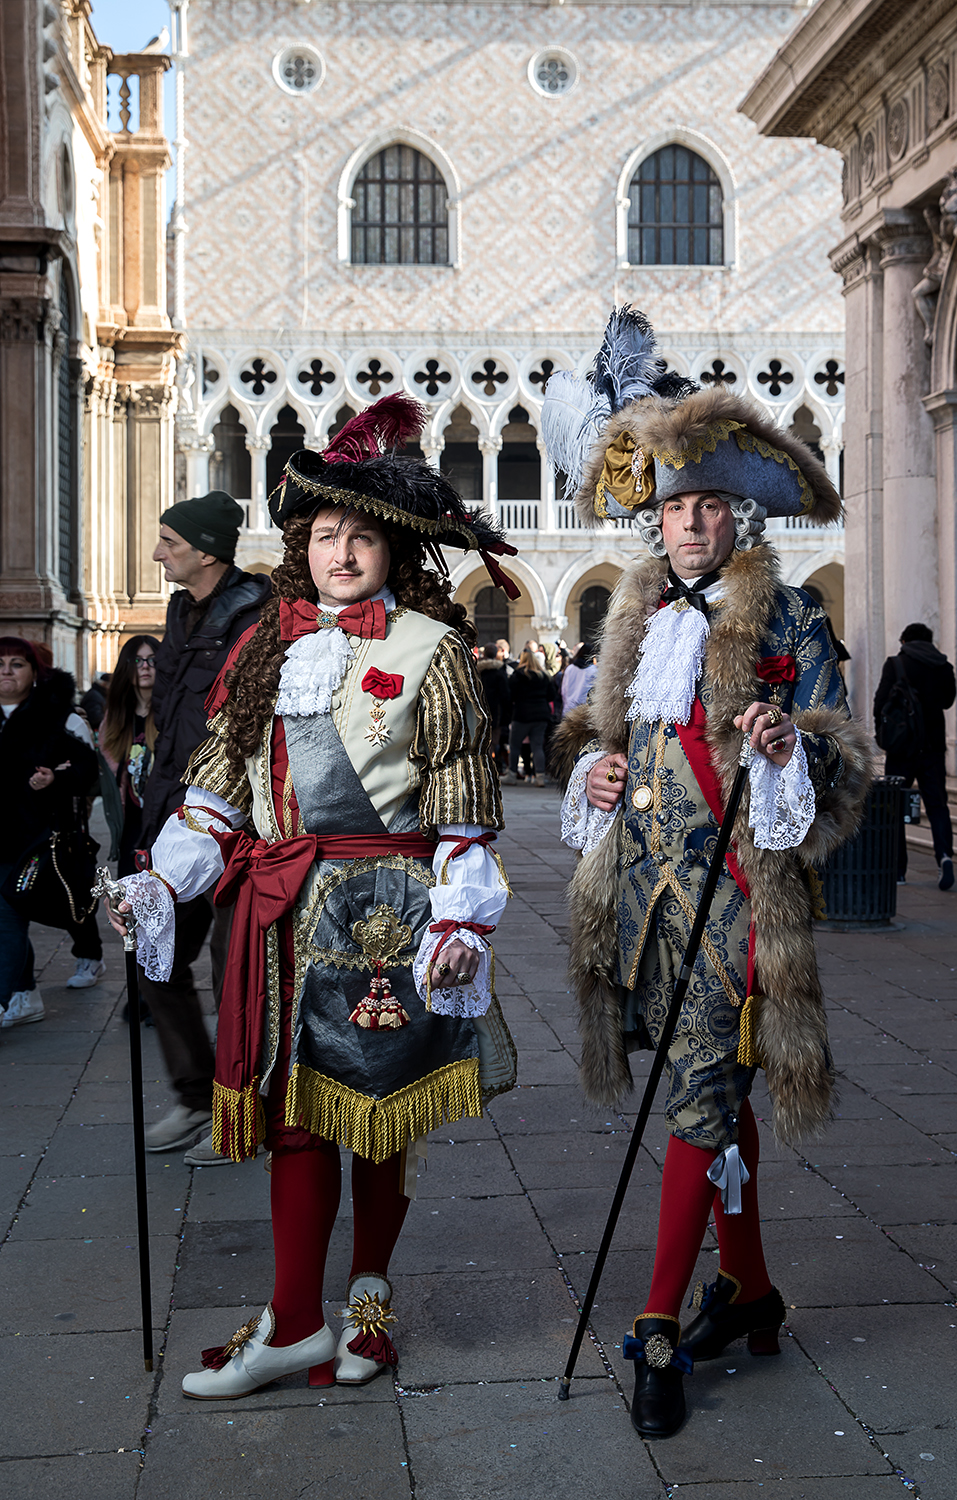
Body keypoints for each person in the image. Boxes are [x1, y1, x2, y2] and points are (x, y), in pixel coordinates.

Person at [108, 394, 518, 1399]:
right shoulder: (260, 649)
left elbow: (463, 805)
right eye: (325, 534)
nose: (342, 551)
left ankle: (367, 1313)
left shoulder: (432, 651)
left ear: (392, 550)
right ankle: (294, 1322)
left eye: (361, 535)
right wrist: (158, 884)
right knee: (291, 1120)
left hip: (386, 920)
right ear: (302, 544)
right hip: (277, 920)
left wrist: (463, 917)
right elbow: (213, 797)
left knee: (378, 1124)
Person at [543, 307, 873, 1441]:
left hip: (737, 904)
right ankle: (751, 1291)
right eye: (674, 507)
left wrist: (792, 744)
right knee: (714, 1096)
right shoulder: (633, 612)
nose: (688, 524)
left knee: (694, 1094)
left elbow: (843, 759)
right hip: (640, 903)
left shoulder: (783, 612)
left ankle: (651, 1321)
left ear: (738, 513)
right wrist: (592, 776)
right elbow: (610, 743)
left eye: (707, 506)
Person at [138, 491, 272, 1158]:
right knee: (154, 960)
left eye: (169, 540)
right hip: (174, 815)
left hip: (237, 824)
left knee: (234, 977)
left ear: (207, 550)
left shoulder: (260, 614)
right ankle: (195, 1098)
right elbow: (169, 718)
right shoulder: (180, 610)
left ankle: (238, 1113)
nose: (158, 553)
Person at [0, 638, 101, 1025]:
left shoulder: (56, 716)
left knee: (11, 918)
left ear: (34, 673)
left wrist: (54, 780)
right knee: (7, 920)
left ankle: (11, 995)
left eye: (17, 664)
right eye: (1, 664)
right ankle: (23, 994)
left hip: (35, 839)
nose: (7, 671)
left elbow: (87, 770)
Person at [874, 623, 957, 890]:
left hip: (902, 748)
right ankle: (944, 857)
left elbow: (879, 702)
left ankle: (899, 870)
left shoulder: (896, 664)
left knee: (895, 808)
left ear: (905, 640)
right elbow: (947, 700)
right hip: (933, 747)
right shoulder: (943, 666)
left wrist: (882, 736)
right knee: (937, 805)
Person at [99, 636, 160, 879]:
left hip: (166, 828)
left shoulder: (173, 716)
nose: (145, 666)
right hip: (131, 831)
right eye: (137, 660)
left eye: (152, 660)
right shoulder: (115, 721)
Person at [504, 647, 555, 786]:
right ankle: (540, 776)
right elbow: (551, 695)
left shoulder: (518, 675)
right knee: (537, 746)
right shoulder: (543, 676)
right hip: (540, 714)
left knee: (514, 745)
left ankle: (512, 775)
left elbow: (510, 695)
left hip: (522, 714)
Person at [476, 643, 512, 767]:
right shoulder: (499, 672)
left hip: (478, 710)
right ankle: (490, 765)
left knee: (480, 739)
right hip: (496, 712)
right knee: (493, 740)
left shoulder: (476, 671)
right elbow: (505, 694)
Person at [560, 643, 599, 714]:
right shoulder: (593, 671)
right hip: (583, 711)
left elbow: (564, 690)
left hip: (568, 709)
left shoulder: (569, 668)